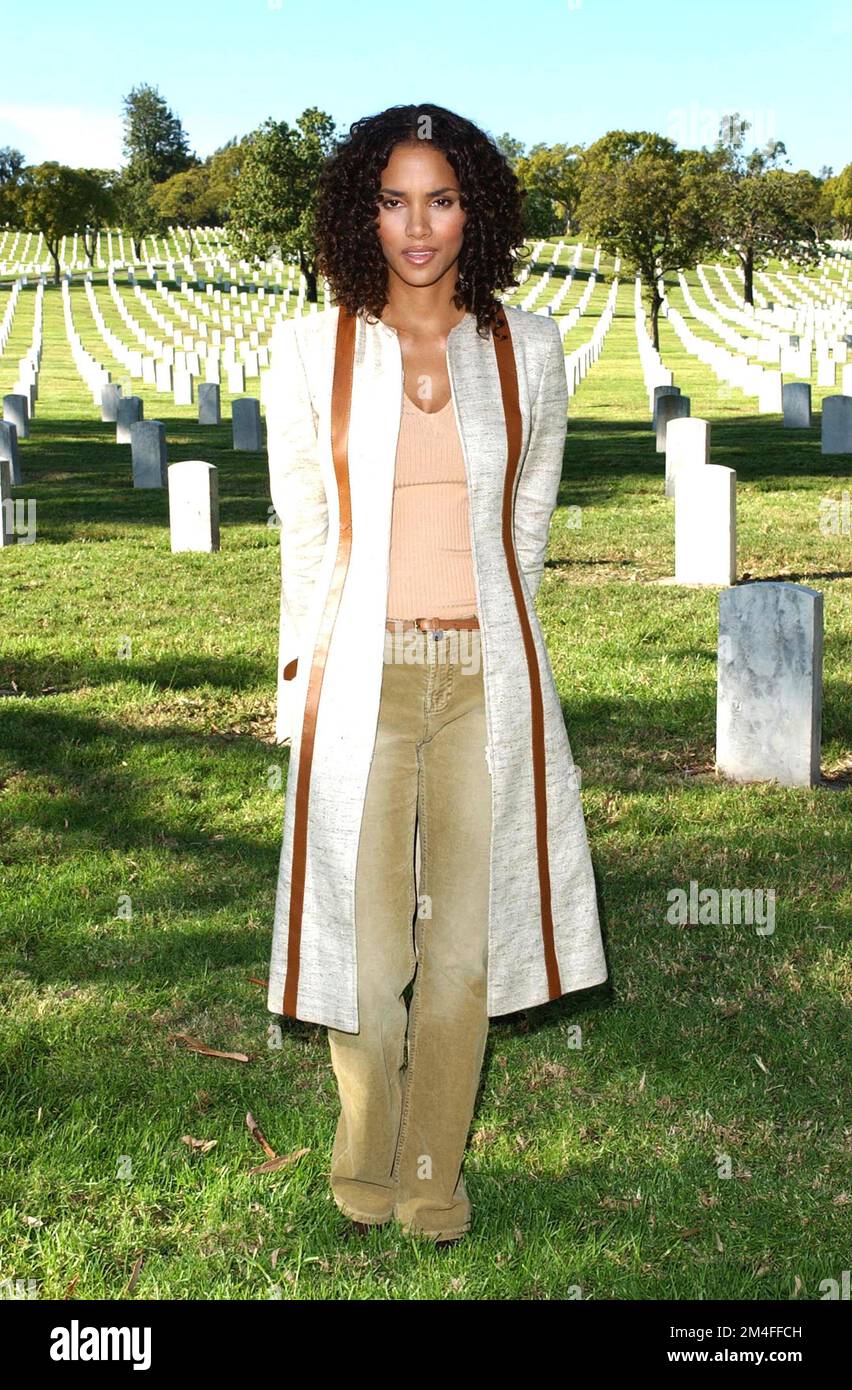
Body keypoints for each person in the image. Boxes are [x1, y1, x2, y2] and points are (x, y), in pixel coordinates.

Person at [266, 103, 608, 1247]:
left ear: (479, 210)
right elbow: (306, 542)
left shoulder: (533, 349)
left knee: (461, 953)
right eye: (395, 199)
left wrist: (507, 661)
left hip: (477, 678)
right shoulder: (312, 351)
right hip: (362, 677)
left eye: (444, 198)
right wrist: (291, 685)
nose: (420, 226)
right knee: (365, 952)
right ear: (364, 210)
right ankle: (363, 1151)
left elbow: (528, 531)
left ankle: (429, 1172)